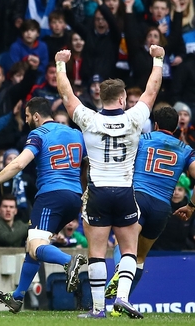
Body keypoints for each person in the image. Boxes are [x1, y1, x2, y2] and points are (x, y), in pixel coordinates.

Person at [54, 45, 165, 319]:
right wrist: (158, 59)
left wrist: (61, 64)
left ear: (101, 98)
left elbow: (67, 95)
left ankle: (98, 309)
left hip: (98, 193)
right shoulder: (134, 119)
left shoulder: (89, 119)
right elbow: (151, 91)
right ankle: (123, 298)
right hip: (125, 191)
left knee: (96, 252)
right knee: (128, 250)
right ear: (123, 98)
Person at [0, 97, 88, 313]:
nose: (26, 121)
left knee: (35, 245)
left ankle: (68, 261)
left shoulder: (39, 134)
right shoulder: (76, 134)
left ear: (36, 116)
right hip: (74, 198)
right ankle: (18, 296)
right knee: (33, 245)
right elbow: (87, 163)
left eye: (27, 116)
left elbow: (18, 164)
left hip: (51, 195)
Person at [102, 107, 195, 299]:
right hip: (162, 208)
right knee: (140, 258)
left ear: (156, 124)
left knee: (124, 245)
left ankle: (120, 271)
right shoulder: (186, 150)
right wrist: (191, 206)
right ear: (176, 127)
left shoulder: (142, 140)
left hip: (138, 198)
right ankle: (122, 301)